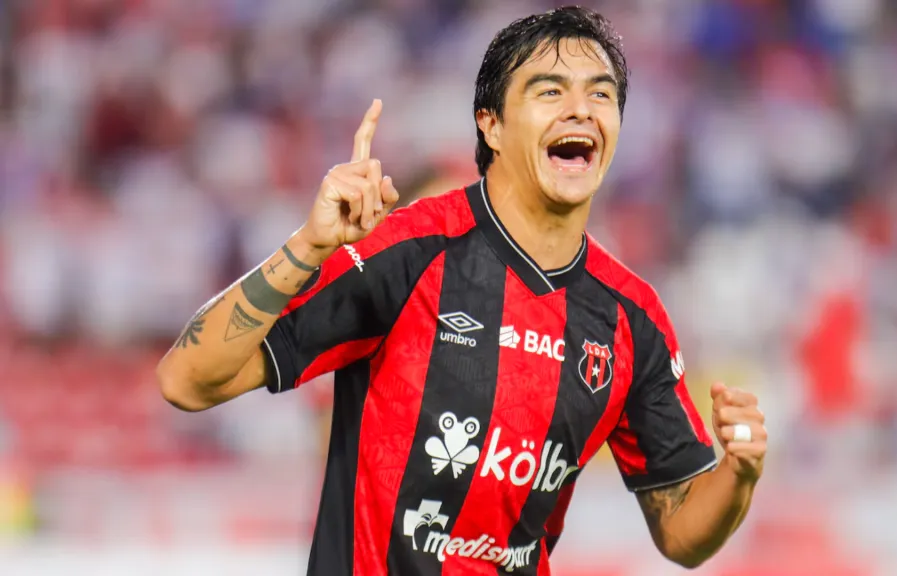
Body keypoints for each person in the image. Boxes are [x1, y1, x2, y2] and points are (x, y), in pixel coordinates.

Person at [157, 6, 768, 574]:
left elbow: (682, 535)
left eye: (600, 94)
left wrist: (738, 474)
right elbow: (185, 380)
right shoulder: (409, 252)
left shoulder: (629, 317)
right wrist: (306, 249)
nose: (581, 109)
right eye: (550, 90)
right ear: (492, 125)